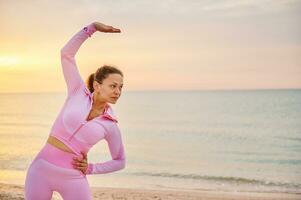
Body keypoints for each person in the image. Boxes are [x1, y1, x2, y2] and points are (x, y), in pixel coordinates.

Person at [24, 22, 126, 200]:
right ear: (97, 85)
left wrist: (91, 168)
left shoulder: (110, 125)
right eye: (113, 86)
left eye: (121, 87)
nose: (118, 92)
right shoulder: (77, 91)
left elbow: (120, 161)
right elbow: (66, 54)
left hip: (73, 178)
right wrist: (91, 28)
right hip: (40, 171)